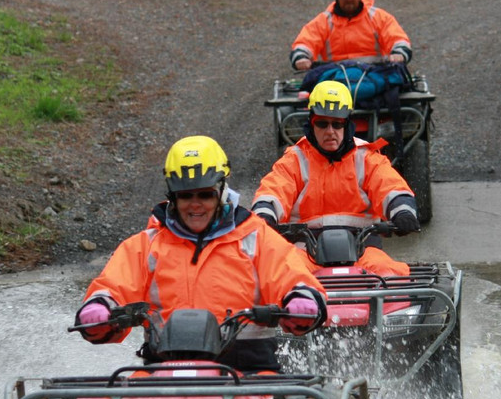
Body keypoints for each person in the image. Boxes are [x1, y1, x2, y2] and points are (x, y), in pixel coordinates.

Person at [75, 135, 327, 372]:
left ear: (222, 191)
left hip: (250, 375)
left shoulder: (256, 238)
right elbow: (113, 286)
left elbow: (292, 276)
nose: (195, 204)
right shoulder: (146, 246)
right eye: (186, 196)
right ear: (172, 197)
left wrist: (301, 299)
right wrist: (100, 307)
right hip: (161, 377)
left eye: (205, 194)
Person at [251, 81, 420, 277]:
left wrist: (403, 211)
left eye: (337, 124)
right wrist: (264, 216)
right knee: (284, 276)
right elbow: (273, 191)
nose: (330, 131)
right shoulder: (294, 160)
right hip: (305, 250)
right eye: (322, 123)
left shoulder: (367, 157)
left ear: (347, 125)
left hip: (363, 249)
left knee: (391, 275)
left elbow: (390, 187)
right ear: (311, 124)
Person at [290, 0, 412, 72]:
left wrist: (399, 53)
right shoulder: (324, 21)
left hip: (375, 73)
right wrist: (301, 57)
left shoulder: (379, 17)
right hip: (334, 77)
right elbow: (306, 42)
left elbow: (397, 39)